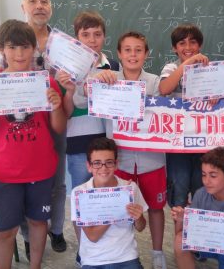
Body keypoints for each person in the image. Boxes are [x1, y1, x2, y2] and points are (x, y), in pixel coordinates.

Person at [0, 19, 66, 269]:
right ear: (1, 50)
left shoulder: (47, 82)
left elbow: (58, 128)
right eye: (12, 47)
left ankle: (35, 265)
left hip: (41, 168)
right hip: (7, 171)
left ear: (34, 49)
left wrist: (57, 106)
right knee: (5, 230)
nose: (19, 54)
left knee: (39, 222)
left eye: (25, 47)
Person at [73, 31, 167, 269]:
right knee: (121, 207)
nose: (132, 55)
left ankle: (157, 252)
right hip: (119, 159)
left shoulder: (155, 82)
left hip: (151, 159)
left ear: (146, 54)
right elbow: (79, 99)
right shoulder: (107, 78)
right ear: (119, 53)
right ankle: (123, 253)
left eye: (138, 50)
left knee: (155, 208)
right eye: (127, 50)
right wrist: (94, 81)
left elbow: (172, 102)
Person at [57, 10, 119, 266]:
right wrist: (71, 90)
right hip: (79, 143)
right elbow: (66, 112)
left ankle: (110, 248)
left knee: (108, 195)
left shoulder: (114, 66)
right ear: (77, 37)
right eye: (86, 34)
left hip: (106, 140)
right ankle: (85, 250)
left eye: (97, 34)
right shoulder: (65, 69)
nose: (92, 40)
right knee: (82, 197)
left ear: (104, 36)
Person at [70, 137, 147, 269]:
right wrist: (116, 207)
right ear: (89, 166)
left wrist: (138, 217)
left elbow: (140, 227)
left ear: (116, 164)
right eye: (97, 163)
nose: (103, 168)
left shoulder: (130, 188)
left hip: (127, 257)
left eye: (109, 162)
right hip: (93, 261)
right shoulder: (80, 193)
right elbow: (93, 236)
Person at [159, 24, 208, 211]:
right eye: (182, 43)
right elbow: (164, 89)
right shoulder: (171, 68)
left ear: (200, 45)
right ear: (174, 48)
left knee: (201, 191)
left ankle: (198, 234)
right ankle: (180, 234)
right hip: (177, 142)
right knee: (178, 190)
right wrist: (188, 63)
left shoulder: (209, 69)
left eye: (193, 42)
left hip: (203, 141)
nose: (188, 47)